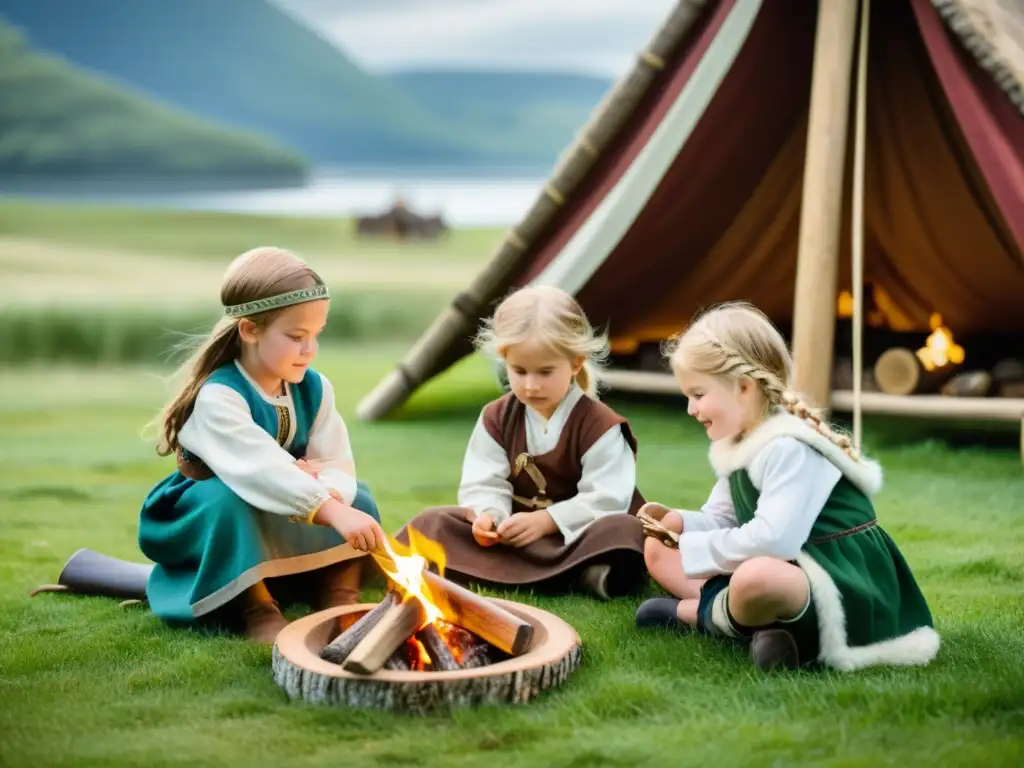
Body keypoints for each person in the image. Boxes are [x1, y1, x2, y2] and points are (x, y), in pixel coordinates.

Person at [636, 301, 940, 671]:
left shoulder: (787, 447)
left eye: (698, 395)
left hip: (837, 580)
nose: (690, 409)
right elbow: (722, 516)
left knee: (755, 578)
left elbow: (773, 541)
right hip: (793, 567)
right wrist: (679, 525)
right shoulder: (739, 442)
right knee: (656, 550)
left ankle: (699, 614)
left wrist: (695, 548)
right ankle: (763, 628)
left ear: (744, 388)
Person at [138, 246, 386, 644]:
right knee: (230, 504)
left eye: (316, 336)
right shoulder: (220, 396)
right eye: (296, 337)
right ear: (250, 330)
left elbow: (335, 458)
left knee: (360, 499)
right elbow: (258, 467)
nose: (310, 350)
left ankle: (338, 594)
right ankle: (258, 609)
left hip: (291, 493)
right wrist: (326, 506)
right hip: (212, 506)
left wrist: (331, 490)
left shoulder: (315, 388)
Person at [397, 285, 648, 600]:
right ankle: (572, 577)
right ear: (504, 360)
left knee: (625, 531)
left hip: (574, 538)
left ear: (575, 362)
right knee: (432, 522)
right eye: (519, 371)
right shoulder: (496, 417)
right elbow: (484, 482)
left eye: (545, 372)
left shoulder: (600, 425)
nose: (531, 385)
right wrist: (490, 518)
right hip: (515, 537)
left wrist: (546, 522)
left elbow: (607, 499)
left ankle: (581, 571)